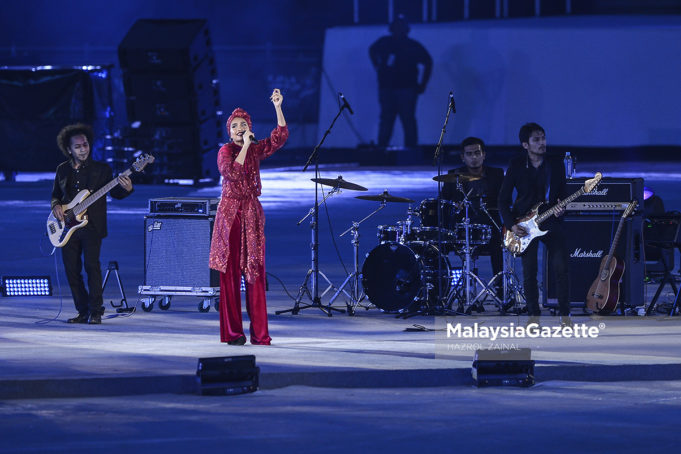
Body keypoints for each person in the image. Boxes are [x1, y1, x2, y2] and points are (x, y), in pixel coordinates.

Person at [209, 89, 288, 345]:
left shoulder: (255, 150)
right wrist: (244, 147)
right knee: (230, 275)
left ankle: (260, 334)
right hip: (231, 214)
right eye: (235, 126)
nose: (240, 128)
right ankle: (233, 334)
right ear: (229, 132)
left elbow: (279, 138)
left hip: (251, 213)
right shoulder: (225, 151)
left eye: (244, 125)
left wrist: (277, 107)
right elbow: (231, 172)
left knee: (255, 271)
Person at [51, 123, 133, 324]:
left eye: (85, 145)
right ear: (69, 149)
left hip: (91, 226)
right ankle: (83, 310)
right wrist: (56, 206)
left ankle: (96, 311)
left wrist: (127, 188)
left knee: (91, 267)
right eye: (77, 146)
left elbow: (115, 193)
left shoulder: (102, 170)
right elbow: (56, 195)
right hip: (67, 227)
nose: (83, 149)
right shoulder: (62, 170)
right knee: (71, 270)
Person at [497, 123, 572, 326]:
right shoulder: (516, 164)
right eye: (536, 140)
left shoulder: (555, 163)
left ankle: (565, 315)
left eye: (543, 138)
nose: (542, 143)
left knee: (561, 268)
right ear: (525, 145)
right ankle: (533, 316)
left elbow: (563, 193)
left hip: (551, 221)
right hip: (525, 224)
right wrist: (512, 225)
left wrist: (561, 207)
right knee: (529, 272)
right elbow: (502, 200)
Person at [442, 137, 504, 298]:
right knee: (438, 246)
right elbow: (443, 204)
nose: (474, 157)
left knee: (499, 245)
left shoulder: (497, 174)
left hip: (489, 227)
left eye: (477, 153)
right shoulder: (453, 176)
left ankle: (501, 290)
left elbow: (505, 201)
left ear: (484, 155)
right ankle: (438, 290)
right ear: (463, 157)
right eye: (469, 154)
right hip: (461, 229)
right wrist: (453, 207)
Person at [369, 14, 432, 149]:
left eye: (401, 28)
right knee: (388, 120)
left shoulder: (412, 46)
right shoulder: (384, 43)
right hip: (388, 88)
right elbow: (372, 51)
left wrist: (423, 84)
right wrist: (377, 66)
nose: (399, 30)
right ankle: (382, 150)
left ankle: (410, 151)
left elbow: (428, 62)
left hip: (406, 88)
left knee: (406, 120)